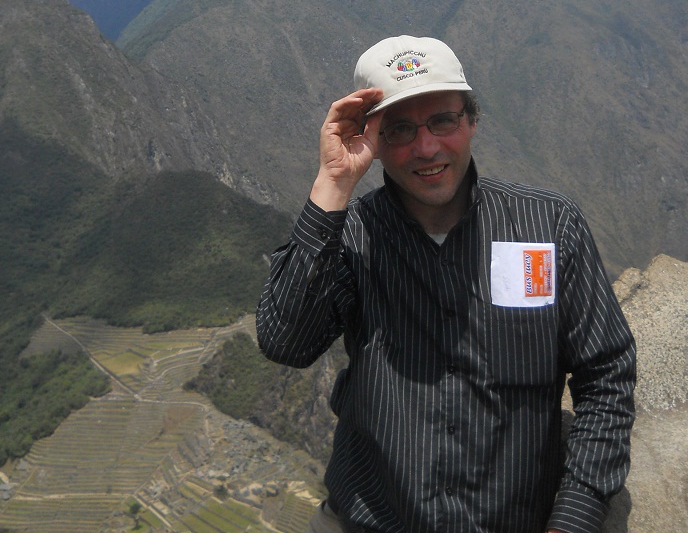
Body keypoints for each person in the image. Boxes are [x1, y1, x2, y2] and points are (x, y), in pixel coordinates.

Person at [256, 35, 636, 533]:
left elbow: (605, 376)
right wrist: (333, 182)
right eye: (399, 129)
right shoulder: (351, 237)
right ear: (373, 141)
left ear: (471, 120)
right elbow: (285, 342)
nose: (427, 147)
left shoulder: (549, 226)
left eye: (442, 120)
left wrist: (574, 516)